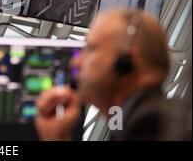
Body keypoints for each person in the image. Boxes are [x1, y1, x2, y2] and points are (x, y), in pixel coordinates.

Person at [34, 8, 191, 141]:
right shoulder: (133, 122)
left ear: (125, 62)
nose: (75, 63)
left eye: (91, 49)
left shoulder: (151, 125)